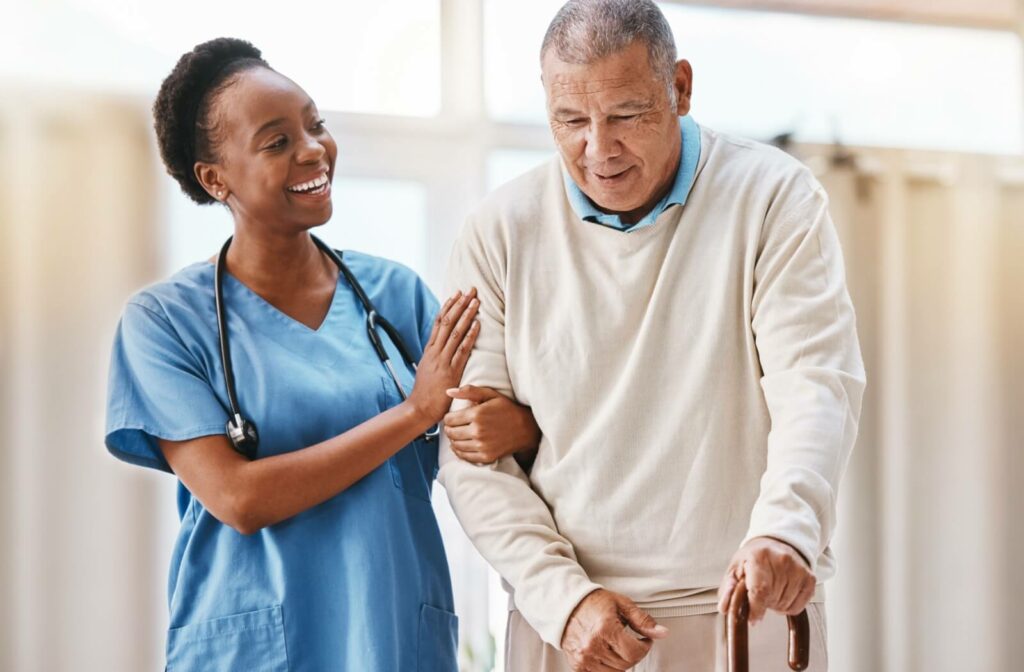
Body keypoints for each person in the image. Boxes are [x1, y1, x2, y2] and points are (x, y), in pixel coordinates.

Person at [438, 1, 866, 670]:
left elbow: (815, 384)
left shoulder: (774, 196)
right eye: (571, 121)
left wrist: (788, 528)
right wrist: (566, 600)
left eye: (626, 116)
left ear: (681, 87)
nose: (598, 150)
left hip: (739, 608)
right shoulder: (500, 230)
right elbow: (473, 459)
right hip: (570, 624)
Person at [104, 38, 540, 671]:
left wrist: (517, 426)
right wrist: (414, 414)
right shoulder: (167, 323)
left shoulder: (395, 298)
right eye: (277, 142)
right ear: (214, 178)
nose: (313, 150)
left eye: (316, 125)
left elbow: (488, 441)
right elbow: (237, 499)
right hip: (255, 651)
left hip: (394, 633)